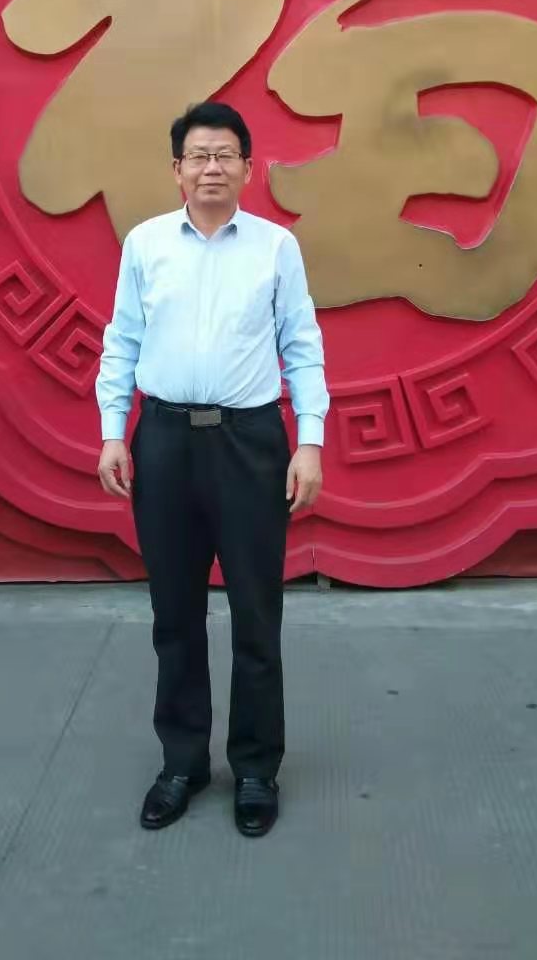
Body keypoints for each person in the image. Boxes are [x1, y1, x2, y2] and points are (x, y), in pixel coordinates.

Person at [96, 100, 329, 838]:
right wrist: (113, 433)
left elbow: (302, 345)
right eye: (198, 156)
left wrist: (310, 441)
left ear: (248, 168)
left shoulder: (275, 248)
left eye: (225, 155)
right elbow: (122, 341)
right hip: (163, 439)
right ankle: (183, 762)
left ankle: (256, 768)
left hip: (249, 443)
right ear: (177, 169)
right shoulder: (145, 245)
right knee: (174, 613)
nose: (211, 168)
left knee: (256, 612)